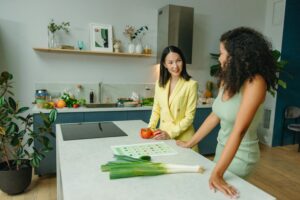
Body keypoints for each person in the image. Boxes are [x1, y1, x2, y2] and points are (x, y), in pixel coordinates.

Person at [176, 27, 277, 198]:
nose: (220, 58)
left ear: (237, 55)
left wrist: (218, 173)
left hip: (242, 155)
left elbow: (239, 130)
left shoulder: (256, 83)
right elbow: (215, 115)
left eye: (222, 53)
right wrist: (190, 142)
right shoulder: (229, 78)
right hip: (222, 149)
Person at [148, 45, 198, 151]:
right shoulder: (159, 84)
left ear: (183, 61)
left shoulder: (191, 84)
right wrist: (150, 129)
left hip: (184, 138)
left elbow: (189, 117)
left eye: (178, 61)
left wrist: (170, 134)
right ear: (164, 64)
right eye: (170, 62)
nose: (175, 66)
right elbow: (156, 109)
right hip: (163, 135)